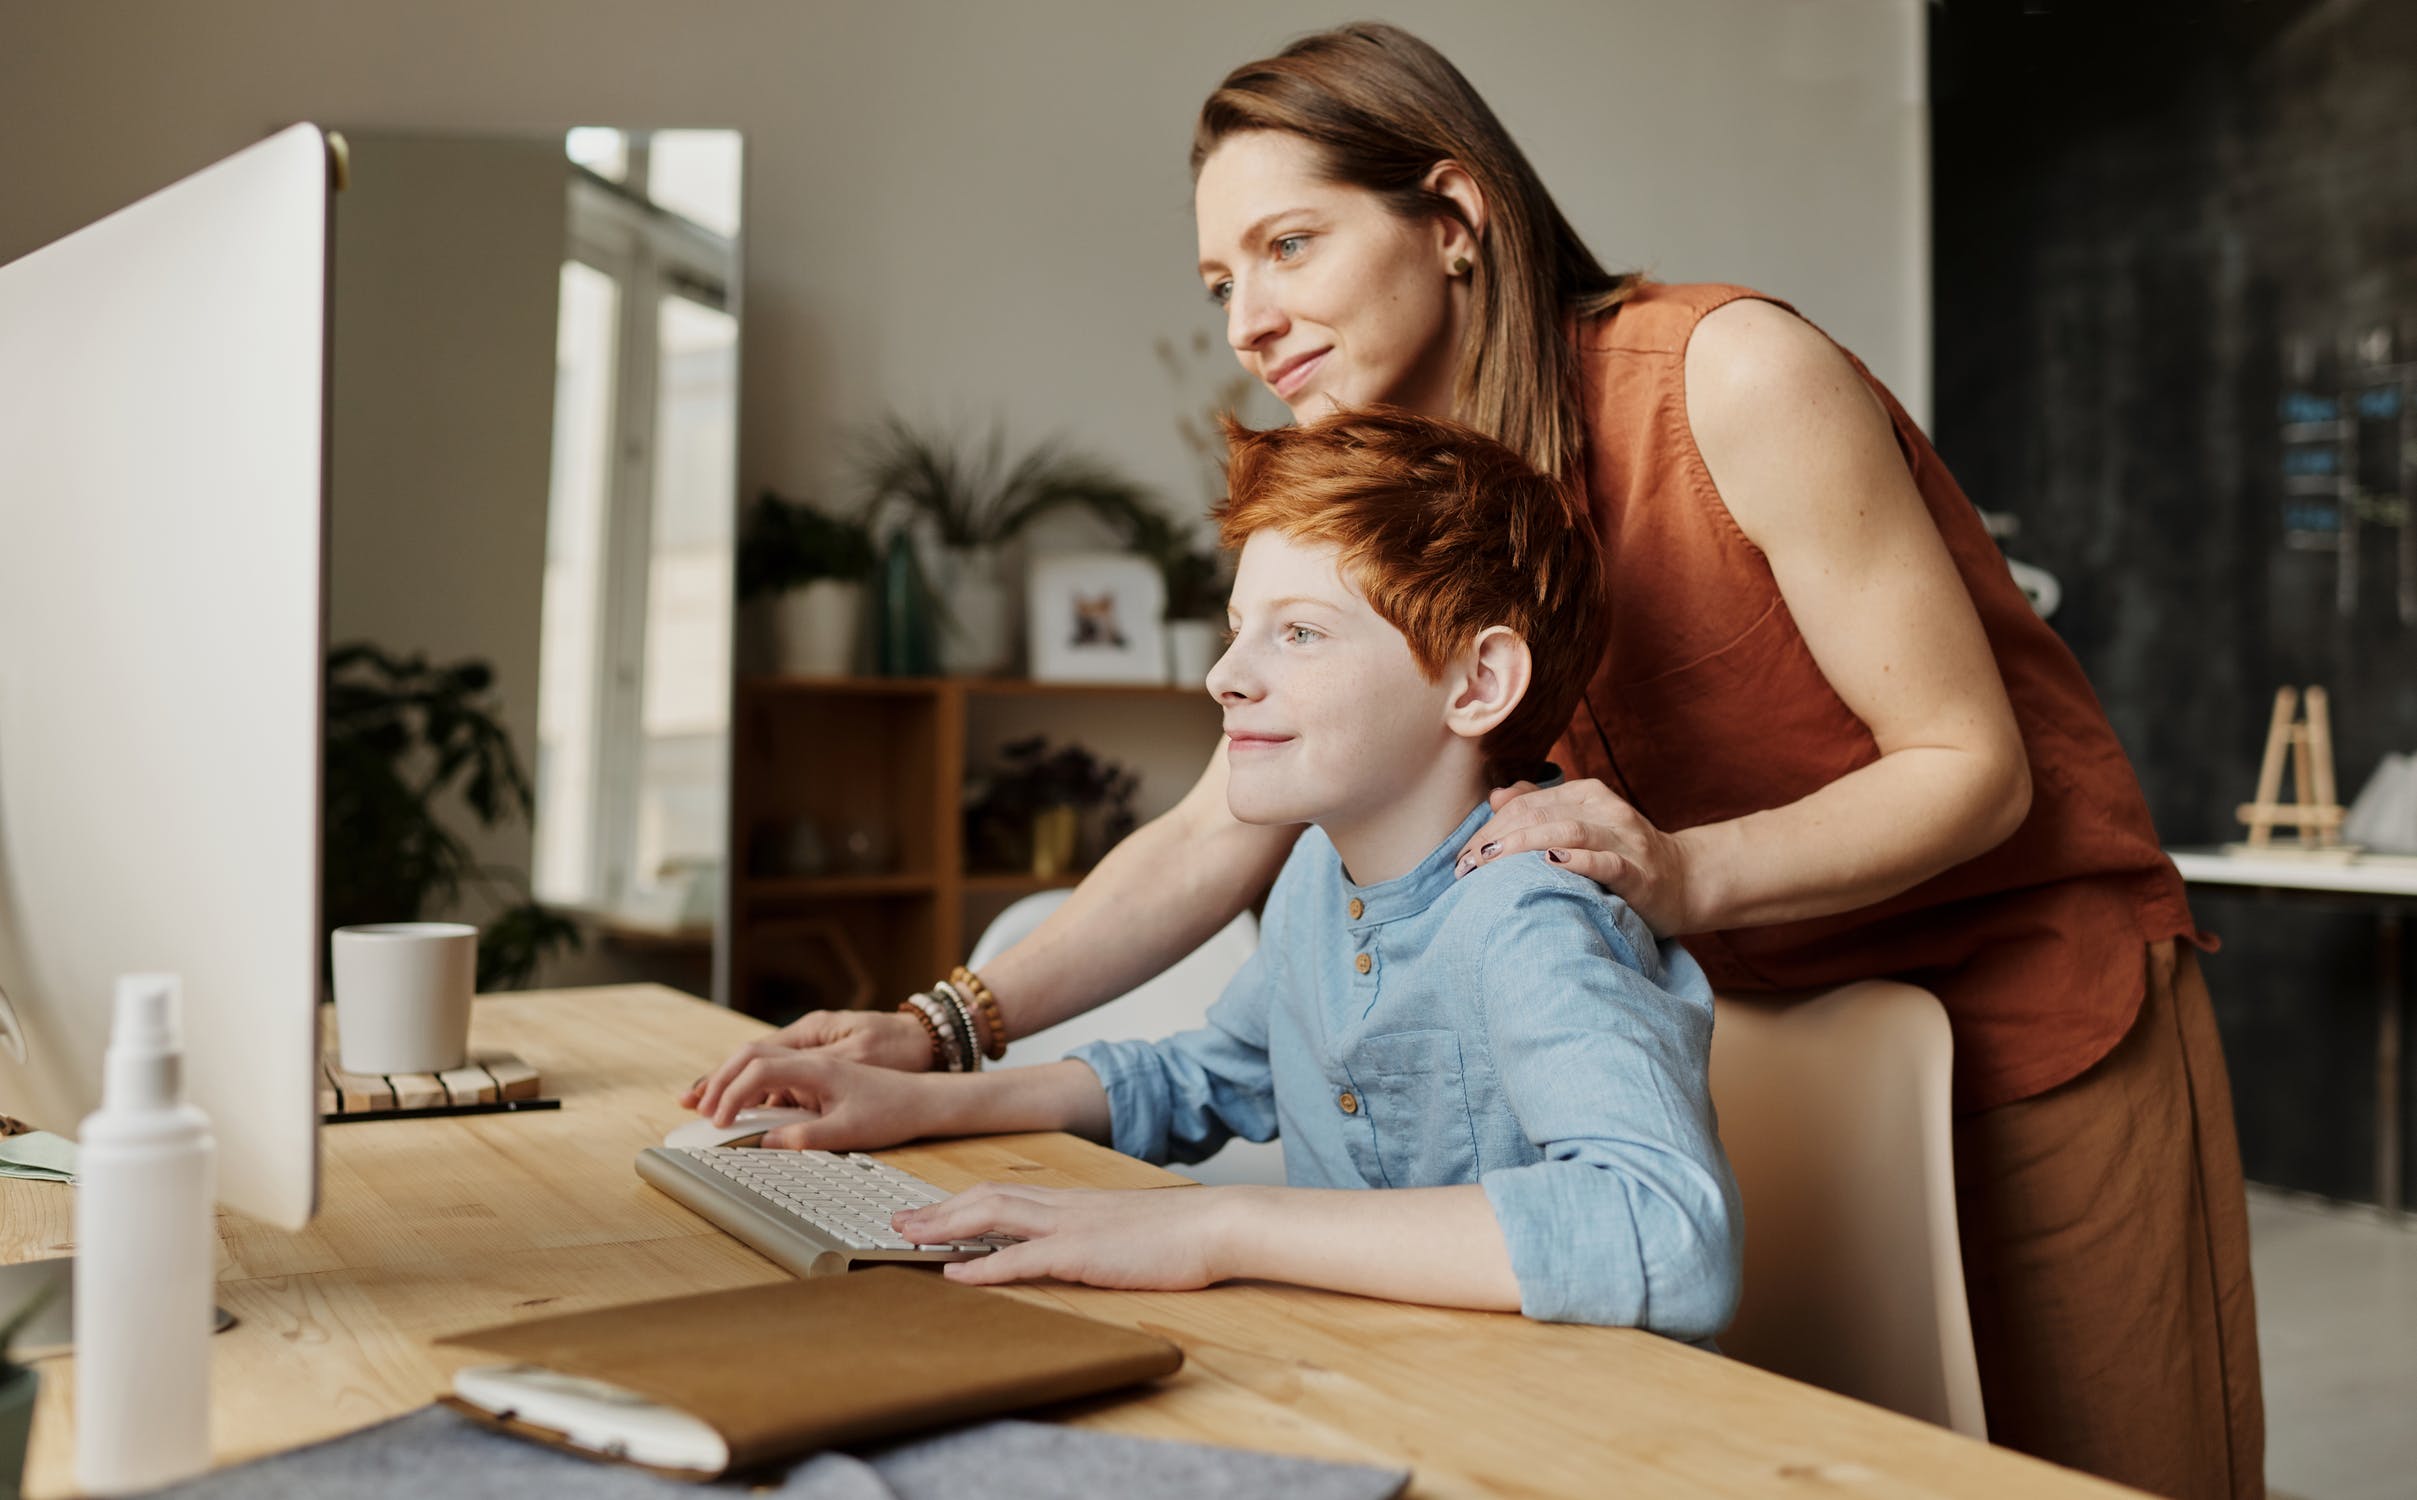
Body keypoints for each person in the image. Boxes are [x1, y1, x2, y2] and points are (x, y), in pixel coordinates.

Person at [688, 24, 2260, 1498]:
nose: (1248, 320)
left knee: (2102, 1472)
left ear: (1453, 213)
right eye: (1219, 279)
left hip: (2030, 1006)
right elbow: (1216, 826)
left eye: (1289, 246)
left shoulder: (1727, 374)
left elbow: (1967, 766)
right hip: (1751, 1024)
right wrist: (934, 1030)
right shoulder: (1406, 490)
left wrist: (1679, 868)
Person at [694, 409, 1742, 1338]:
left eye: (1296, 633)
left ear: (1476, 682)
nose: (1225, 675)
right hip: (1363, 1376)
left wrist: (1215, 1226)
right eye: (1239, 627)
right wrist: (918, 1102)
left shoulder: (1531, 914)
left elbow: (1665, 1229)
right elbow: (1211, 1076)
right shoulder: (1313, 883)